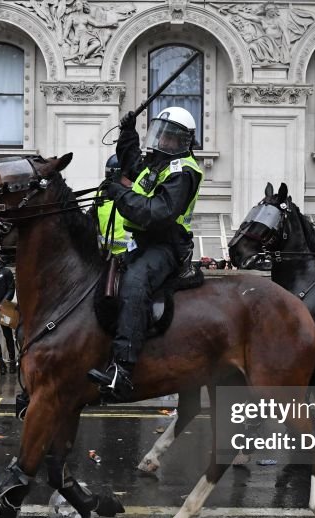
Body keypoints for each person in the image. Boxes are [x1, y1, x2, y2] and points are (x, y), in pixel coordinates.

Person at [87, 106, 204, 400]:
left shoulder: (183, 171)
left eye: (169, 137)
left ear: (183, 141)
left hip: (166, 245)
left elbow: (158, 212)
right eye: (160, 134)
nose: (162, 141)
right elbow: (130, 162)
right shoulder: (158, 165)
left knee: (135, 284)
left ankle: (123, 370)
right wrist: (128, 131)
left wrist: (120, 194)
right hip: (142, 243)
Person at [95, 154, 131, 255]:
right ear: (118, 176)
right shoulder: (132, 199)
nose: (133, 179)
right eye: (129, 176)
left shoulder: (99, 197)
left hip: (107, 256)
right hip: (125, 257)